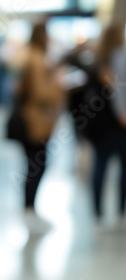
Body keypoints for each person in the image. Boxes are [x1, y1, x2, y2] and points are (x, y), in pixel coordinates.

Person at [7, 21, 66, 234]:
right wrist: (59, 85)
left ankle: (30, 209)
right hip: (34, 121)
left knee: (34, 164)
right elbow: (42, 94)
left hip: (32, 118)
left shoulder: (30, 56)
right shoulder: (37, 60)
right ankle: (28, 210)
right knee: (36, 165)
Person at [81, 22, 126, 224]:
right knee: (121, 168)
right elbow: (118, 93)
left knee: (100, 166)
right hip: (116, 124)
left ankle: (97, 213)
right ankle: (119, 212)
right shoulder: (117, 60)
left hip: (100, 125)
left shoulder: (95, 61)